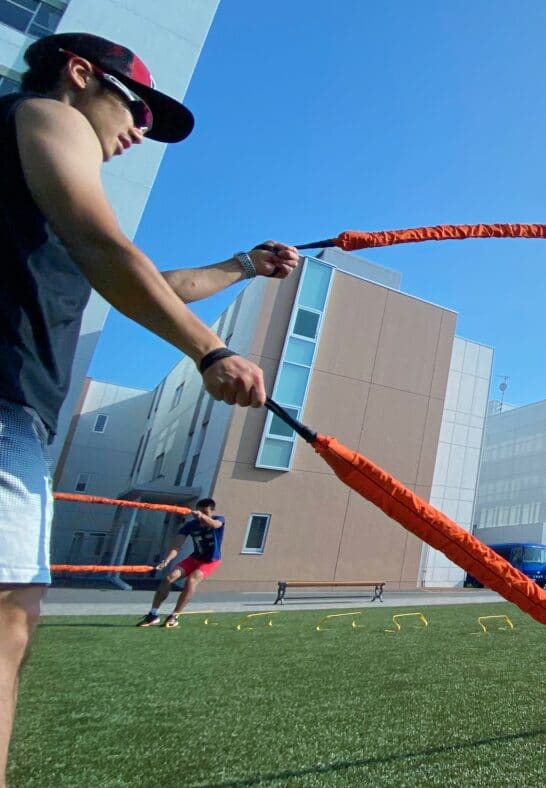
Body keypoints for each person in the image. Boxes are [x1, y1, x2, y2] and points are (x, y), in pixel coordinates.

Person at [0, 32, 299, 778]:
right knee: (5, 624)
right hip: (2, 410)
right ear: (78, 77)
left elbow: (136, 278)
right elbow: (107, 249)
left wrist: (241, 266)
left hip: (18, 417)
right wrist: (212, 350)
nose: (138, 129)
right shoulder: (46, 113)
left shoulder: (32, 199)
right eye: (133, 106)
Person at [137, 498, 225, 628]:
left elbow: (215, 525)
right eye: (200, 512)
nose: (201, 515)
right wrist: (167, 560)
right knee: (168, 578)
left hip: (210, 561)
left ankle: (174, 616)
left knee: (191, 580)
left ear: (212, 511)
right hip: (194, 558)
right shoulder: (190, 525)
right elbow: (177, 546)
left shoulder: (219, 519)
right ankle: (153, 615)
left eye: (206, 512)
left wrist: (202, 516)